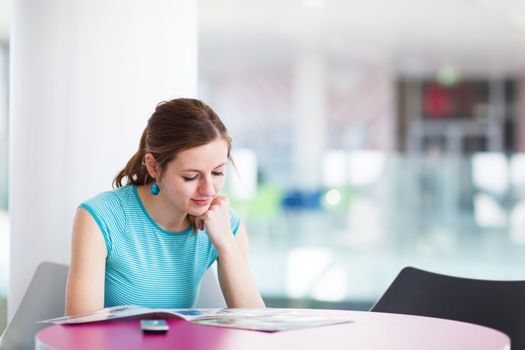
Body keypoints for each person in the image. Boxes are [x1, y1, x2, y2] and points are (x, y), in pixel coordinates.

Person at [65, 98, 265, 316]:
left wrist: (226, 242)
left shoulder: (224, 223)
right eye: (191, 177)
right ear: (153, 167)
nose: (208, 190)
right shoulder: (100, 217)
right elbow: (81, 332)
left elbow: (254, 322)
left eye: (217, 172)